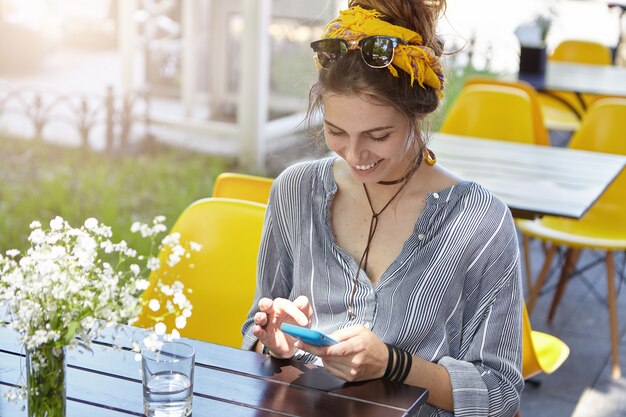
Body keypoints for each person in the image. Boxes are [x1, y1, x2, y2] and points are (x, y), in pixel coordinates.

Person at [241, 1, 524, 416]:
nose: (355, 155)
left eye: (378, 135)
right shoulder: (294, 191)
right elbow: (254, 326)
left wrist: (394, 363)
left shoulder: (479, 221)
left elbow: (500, 394)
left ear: (418, 114)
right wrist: (276, 342)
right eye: (336, 131)